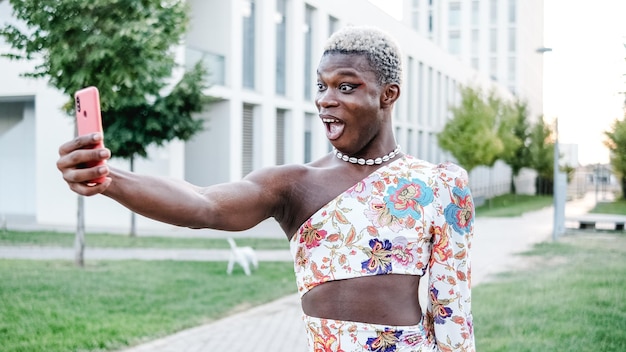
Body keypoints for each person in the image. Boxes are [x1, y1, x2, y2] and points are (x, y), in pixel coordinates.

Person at [57, 25, 475, 351]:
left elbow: (452, 312)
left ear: (388, 95)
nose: (325, 99)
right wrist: (109, 179)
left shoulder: (439, 184)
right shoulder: (294, 184)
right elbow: (202, 205)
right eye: (321, 85)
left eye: (346, 86)